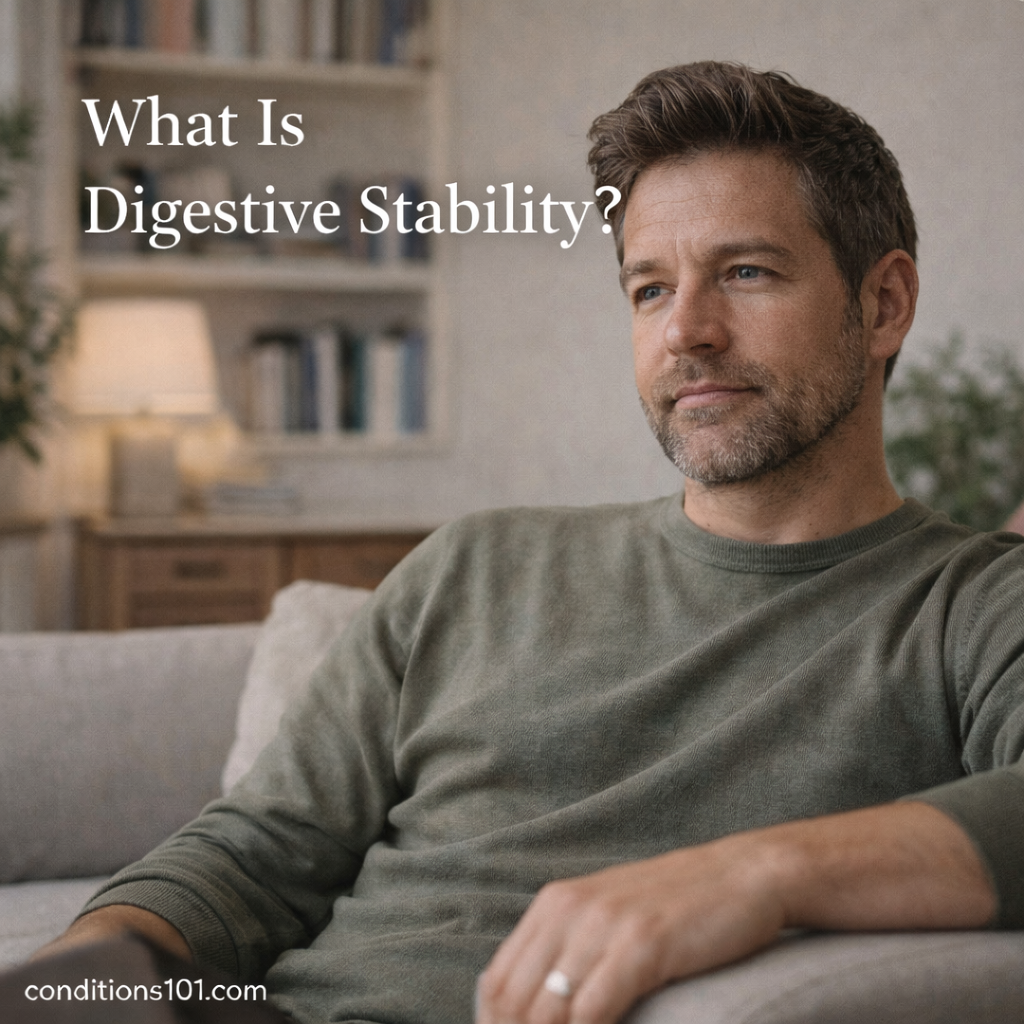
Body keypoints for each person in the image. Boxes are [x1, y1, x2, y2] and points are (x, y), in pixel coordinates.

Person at [35, 62, 1024, 1024]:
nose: (685, 332)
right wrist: (74, 984)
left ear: (884, 304)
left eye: (745, 272)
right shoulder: (474, 566)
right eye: (648, 288)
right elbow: (255, 851)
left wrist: (755, 873)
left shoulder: (973, 605)